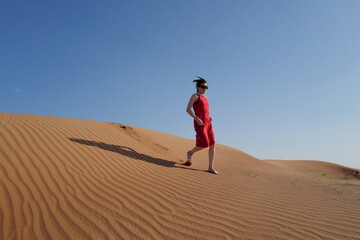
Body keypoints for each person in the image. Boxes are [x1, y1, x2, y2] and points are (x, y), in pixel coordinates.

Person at [185, 76, 219, 174]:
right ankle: (190, 152)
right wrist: (197, 118)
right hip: (200, 123)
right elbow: (188, 109)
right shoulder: (195, 96)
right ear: (198, 87)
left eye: (206, 87)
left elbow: (205, 110)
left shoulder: (206, 98)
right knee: (204, 144)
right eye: (203, 87)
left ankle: (210, 167)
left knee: (212, 144)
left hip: (208, 122)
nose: (205, 89)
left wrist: (209, 116)